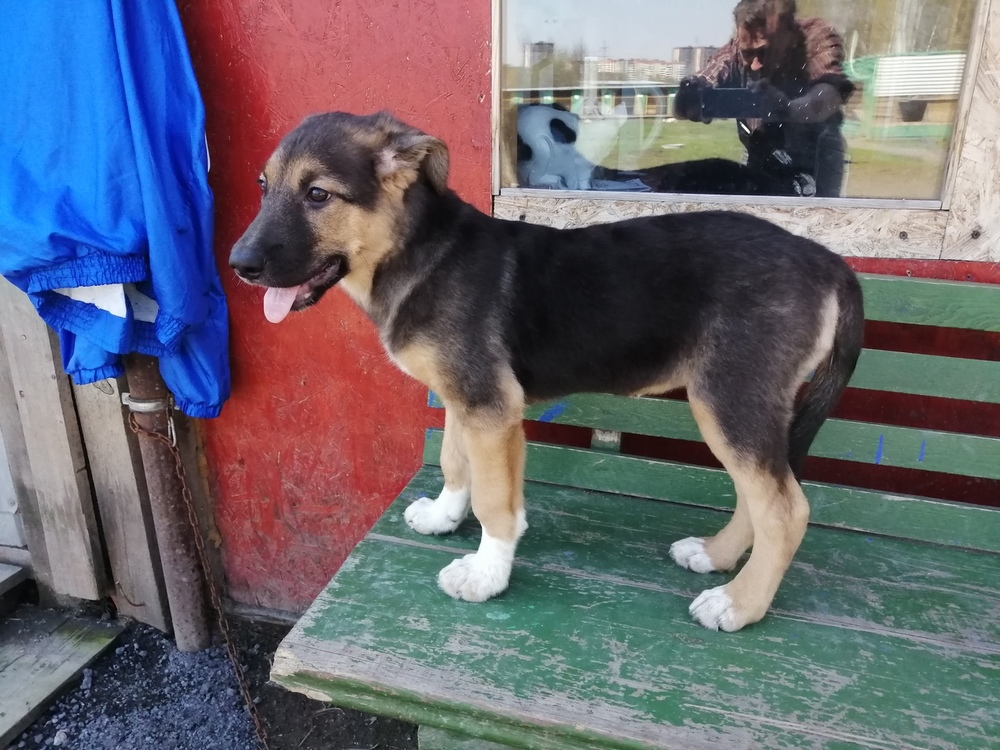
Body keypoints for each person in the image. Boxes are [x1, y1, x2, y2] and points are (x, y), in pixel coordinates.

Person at [674, 0, 855, 197]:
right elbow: (699, 87)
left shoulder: (815, 37)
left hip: (817, 154)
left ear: (789, 33)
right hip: (760, 150)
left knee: (818, 212)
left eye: (764, 52)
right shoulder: (733, 51)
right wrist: (690, 95)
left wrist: (788, 109)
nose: (755, 65)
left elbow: (829, 92)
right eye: (748, 53)